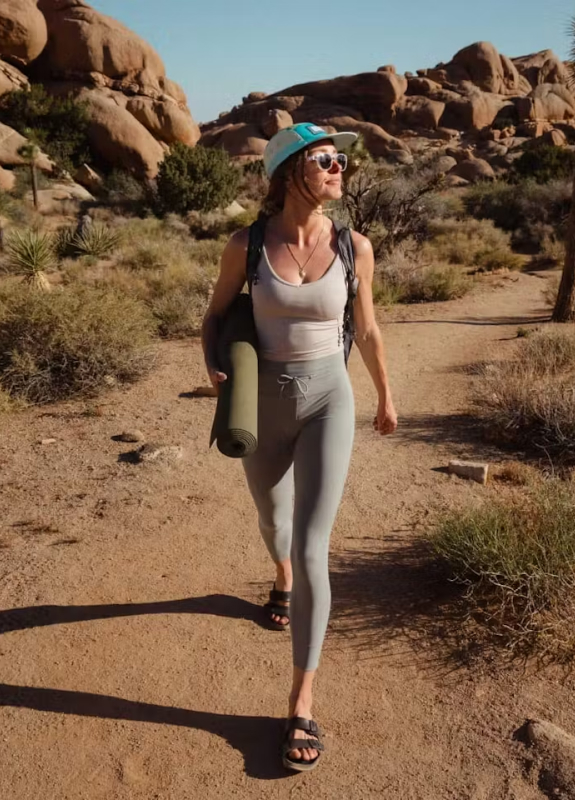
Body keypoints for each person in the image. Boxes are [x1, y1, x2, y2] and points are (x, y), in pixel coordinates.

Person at [201, 123, 398, 771]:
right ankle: (279, 578)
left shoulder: (354, 246)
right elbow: (213, 316)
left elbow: (365, 329)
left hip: (327, 401)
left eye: (341, 160)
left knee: (315, 547)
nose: (339, 168)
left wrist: (384, 396)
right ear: (290, 173)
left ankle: (301, 700)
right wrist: (215, 366)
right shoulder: (247, 244)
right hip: (263, 403)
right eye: (326, 160)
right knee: (274, 520)